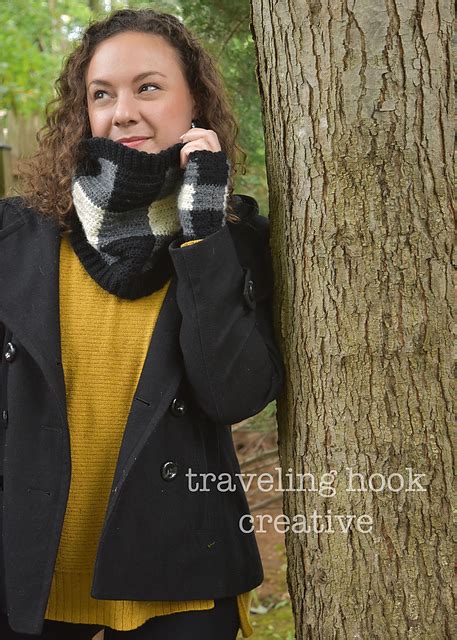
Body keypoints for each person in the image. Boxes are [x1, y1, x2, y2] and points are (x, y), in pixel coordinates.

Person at [0, 8, 285, 640]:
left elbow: (232, 393)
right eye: (102, 94)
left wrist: (203, 230)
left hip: (180, 564)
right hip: (30, 567)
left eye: (148, 87)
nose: (122, 111)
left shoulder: (236, 239)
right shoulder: (18, 235)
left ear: (196, 104)